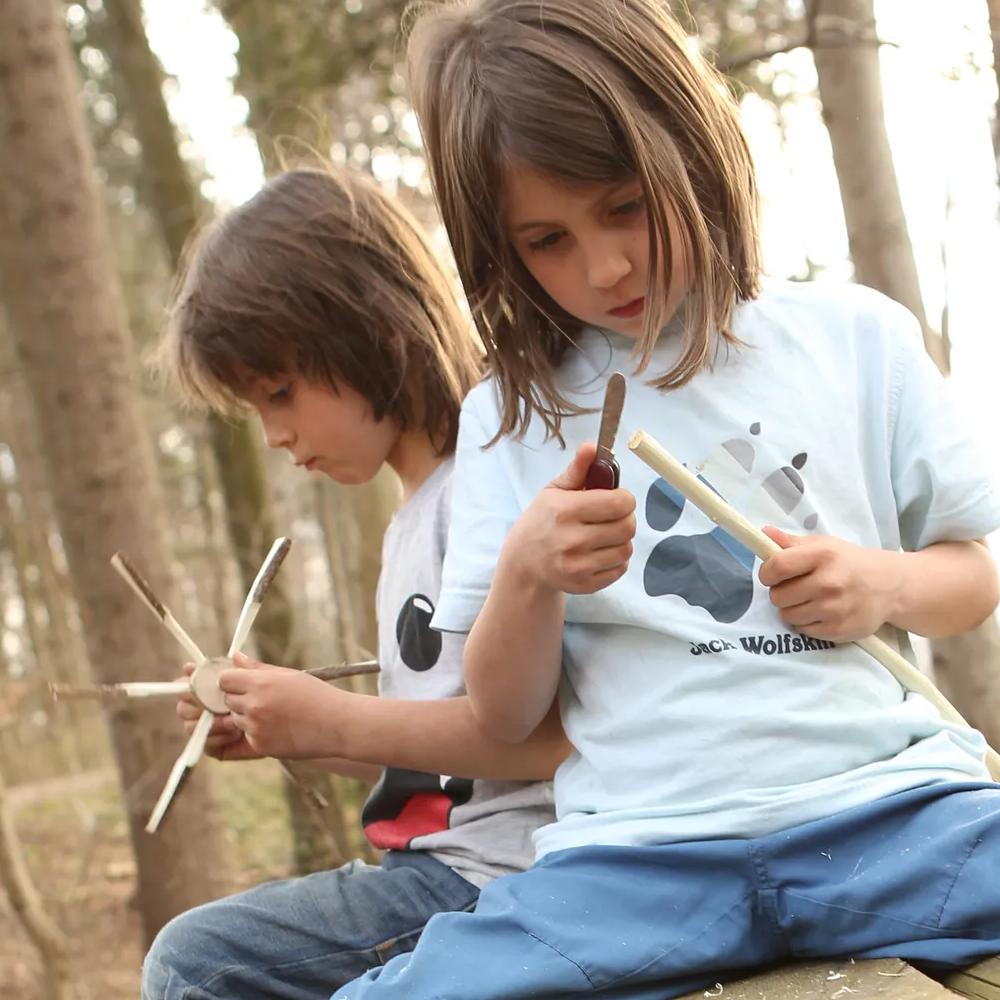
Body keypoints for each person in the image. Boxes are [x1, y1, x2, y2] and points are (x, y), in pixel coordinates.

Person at [329, 2, 1000, 997]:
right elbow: (506, 717)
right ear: (500, 252)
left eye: (625, 206)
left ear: (694, 145)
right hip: (636, 866)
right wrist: (527, 571)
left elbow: (970, 578)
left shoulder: (853, 337)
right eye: (547, 239)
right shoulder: (508, 421)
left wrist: (881, 582)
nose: (603, 268)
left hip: (893, 820)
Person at [140, 166, 566, 1000]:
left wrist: (331, 715)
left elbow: (543, 741)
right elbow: (438, 762)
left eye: (279, 392)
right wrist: (293, 732)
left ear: (370, 328)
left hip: (496, 878)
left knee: (196, 963)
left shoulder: (489, 490)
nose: (273, 435)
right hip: (444, 868)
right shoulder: (415, 515)